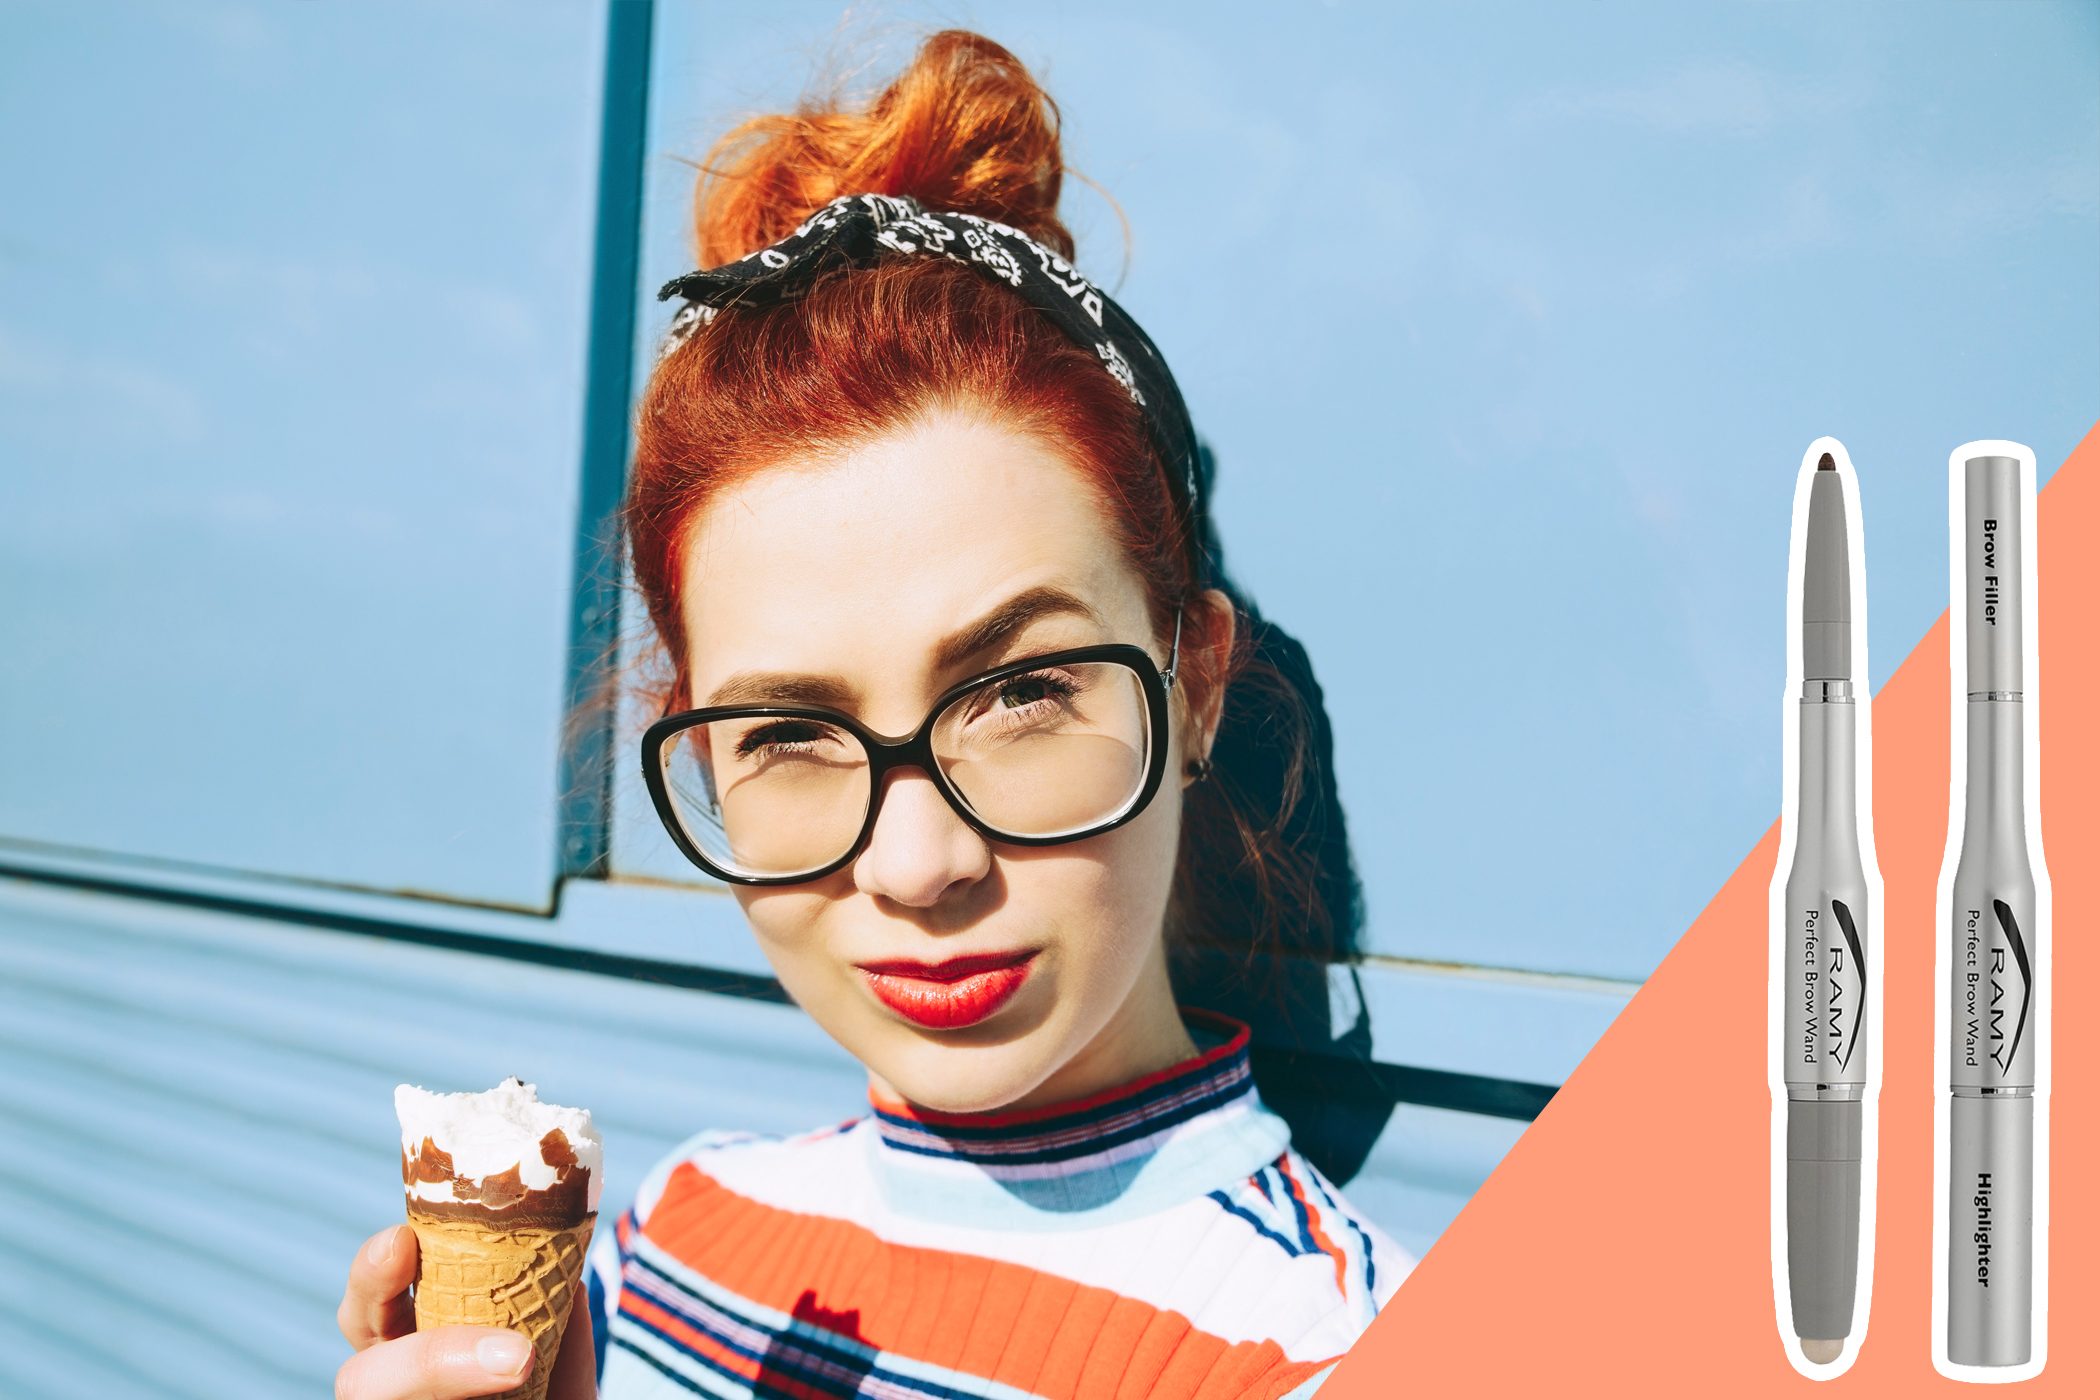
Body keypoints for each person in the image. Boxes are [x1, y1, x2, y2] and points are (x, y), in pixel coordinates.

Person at [336, 27, 1410, 1400]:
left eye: (1021, 693)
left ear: (1193, 684)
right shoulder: (667, 1246)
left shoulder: (1344, 1353)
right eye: (788, 736)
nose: (917, 867)